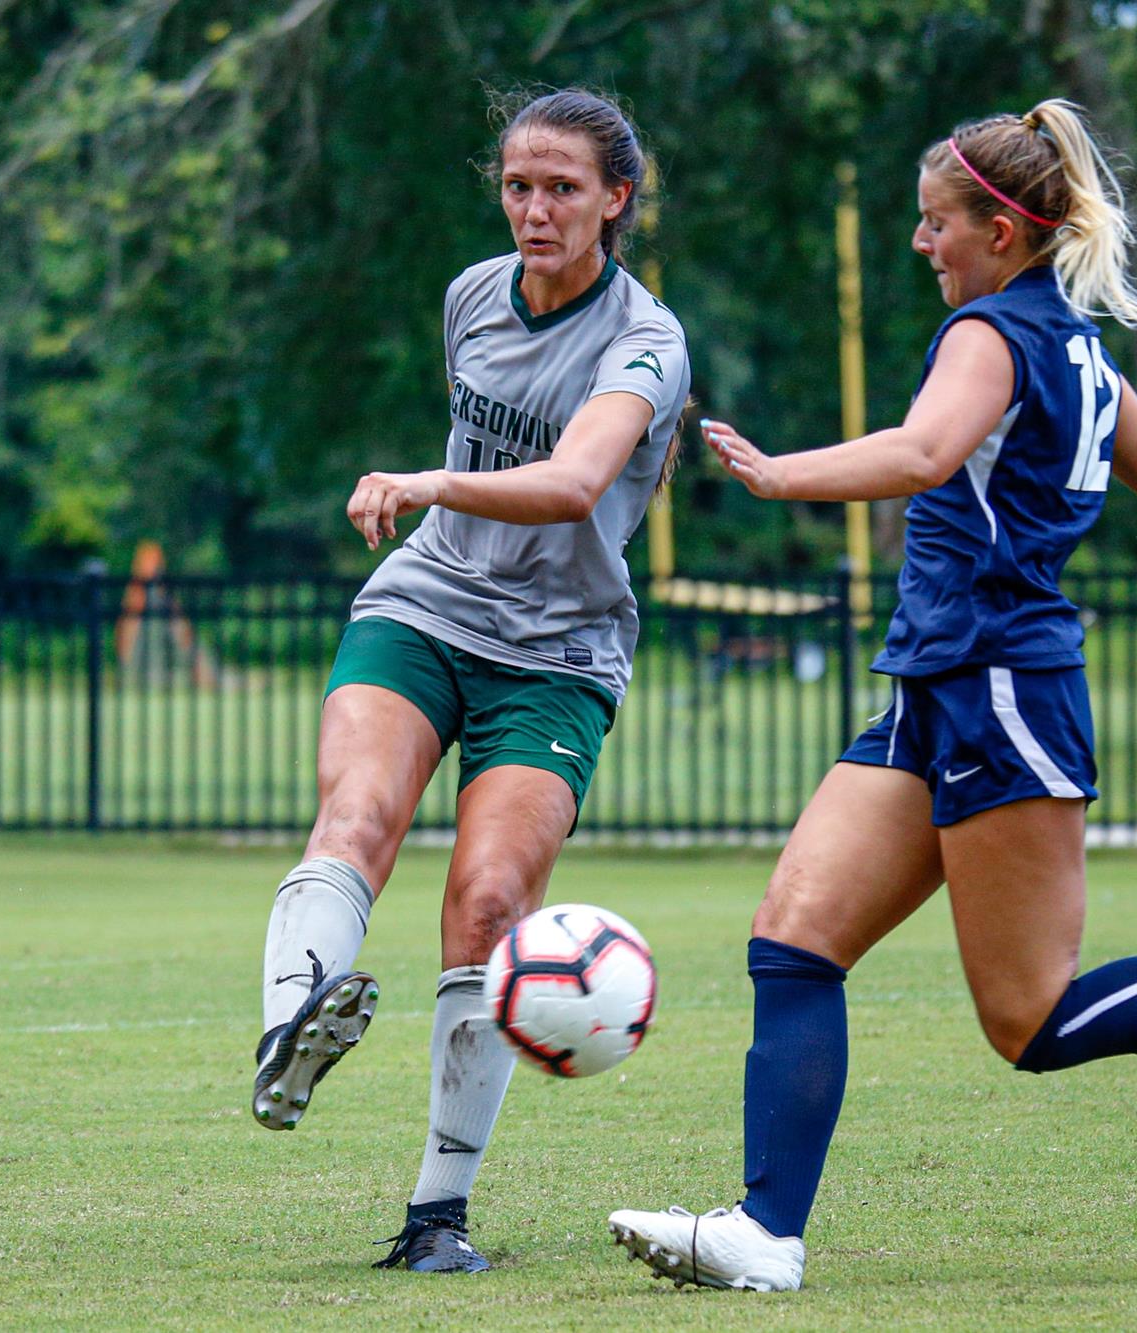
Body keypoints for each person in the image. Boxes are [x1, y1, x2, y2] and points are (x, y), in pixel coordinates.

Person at [605, 99, 1137, 1292]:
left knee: (1031, 1022)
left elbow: (916, 454)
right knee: (793, 942)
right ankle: (764, 1235)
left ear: (1000, 231)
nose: (918, 243)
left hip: (1002, 687)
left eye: (934, 222)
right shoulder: (1075, 352)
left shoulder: (992, 336)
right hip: (933, 684)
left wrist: (780, 473)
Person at [251, 88, 690, 1275]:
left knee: (490, 904)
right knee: (355, 813)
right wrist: (437, 509)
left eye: (560, 188)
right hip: (427, 604)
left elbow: (570, 480)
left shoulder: (646, 341)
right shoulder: (469, 294)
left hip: (556, 652)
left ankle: (434, 1219)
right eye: (515, 185)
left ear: (615, 200)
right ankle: (288, 1024)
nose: (534, 209)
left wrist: (429, 481)